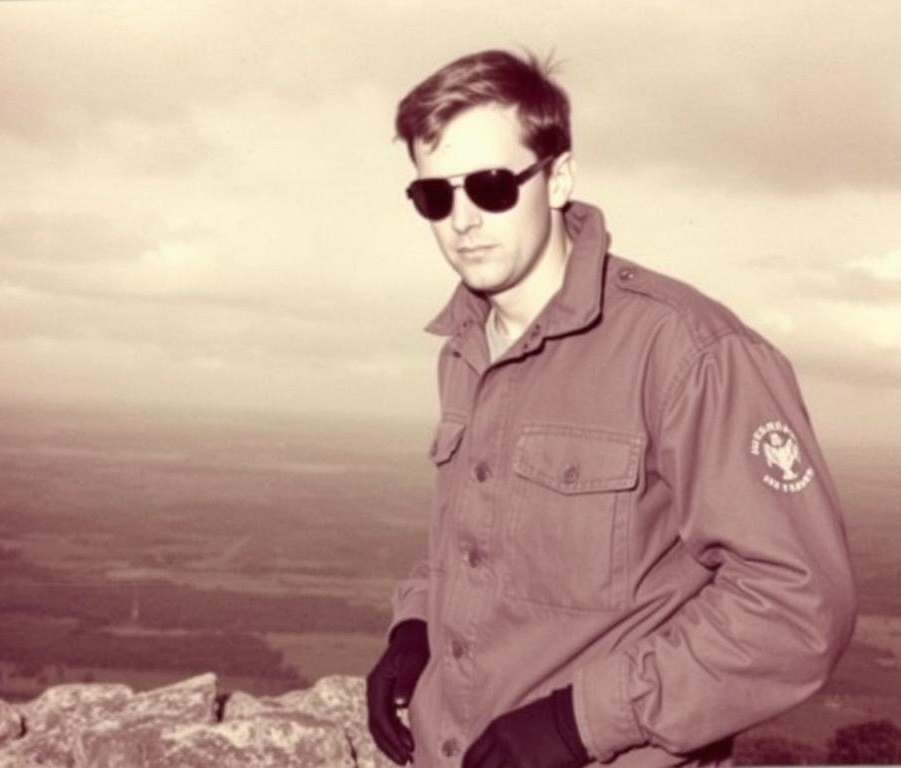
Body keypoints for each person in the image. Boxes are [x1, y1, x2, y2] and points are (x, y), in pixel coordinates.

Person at [365, 49, 856, 768]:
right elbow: (477, 536)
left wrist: (578, 722)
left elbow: (796, 605)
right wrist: (414, 630)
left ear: (558, 176)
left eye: (493, 187)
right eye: (434, 196)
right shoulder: (467, 346)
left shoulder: (687, 351)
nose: (462, 220)